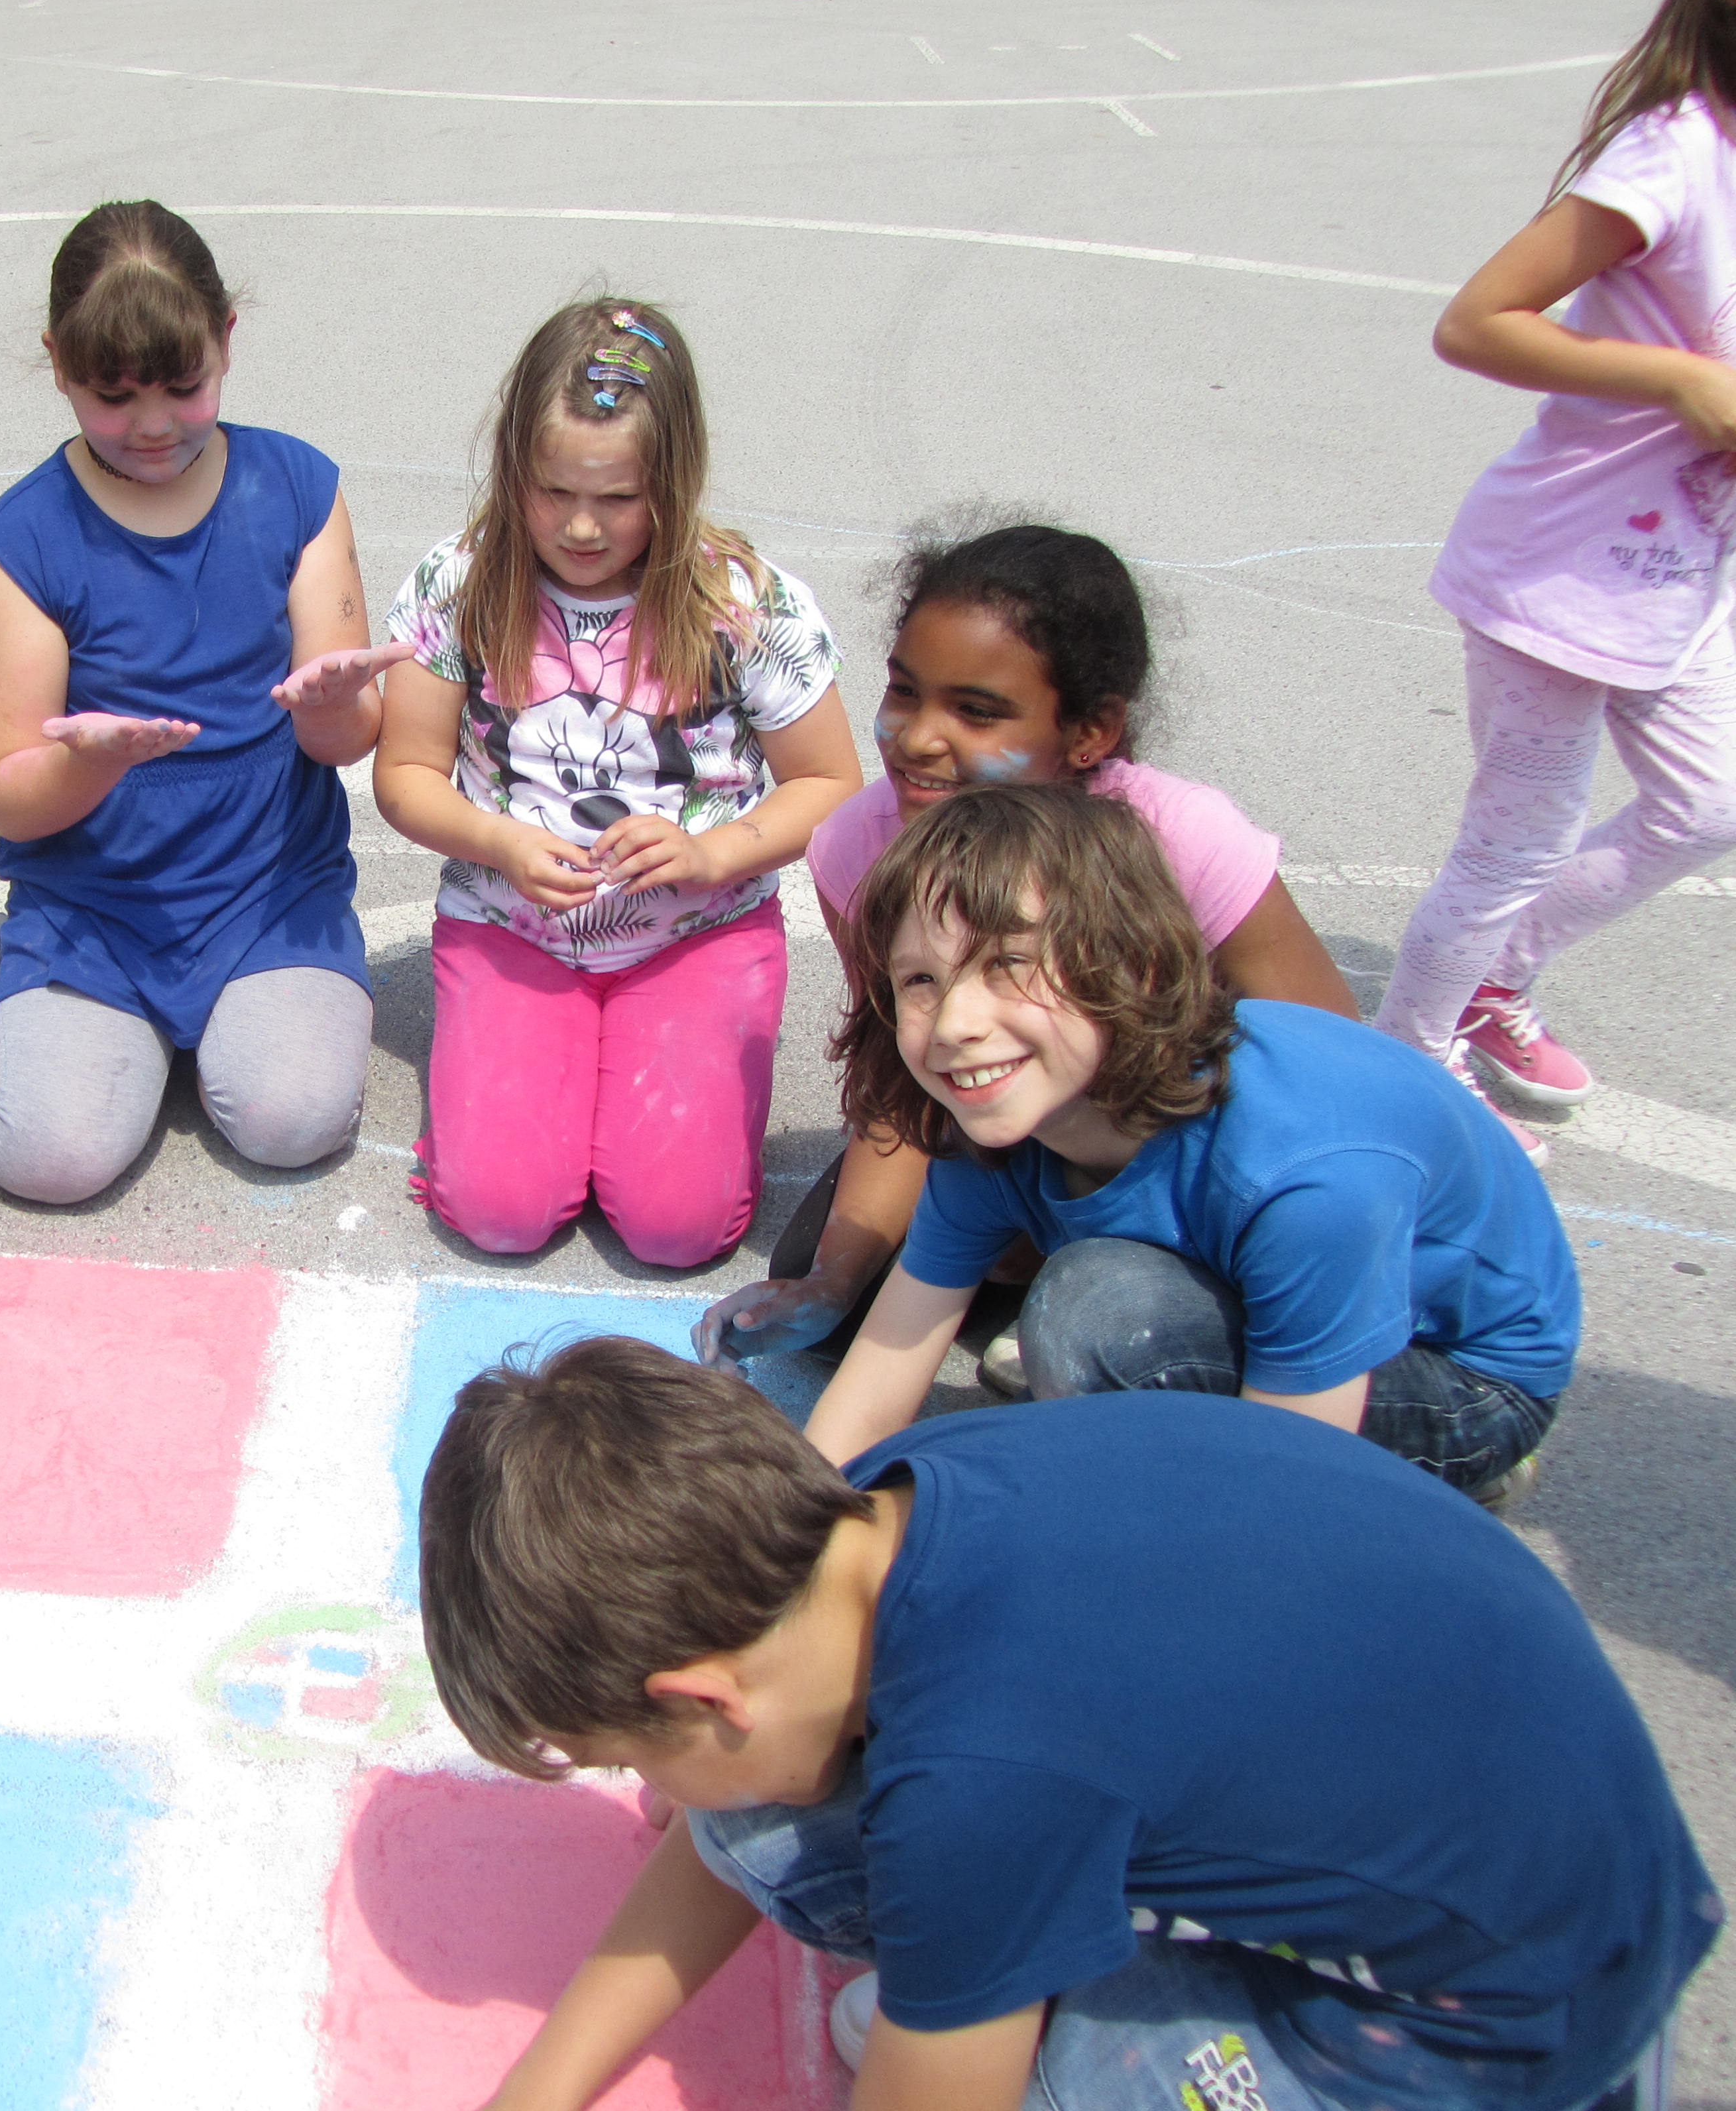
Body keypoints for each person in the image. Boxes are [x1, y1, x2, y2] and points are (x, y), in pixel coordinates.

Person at [414, 1336, 1717, 2111]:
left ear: (703, 1698)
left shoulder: (983, 1777)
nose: (651, 1795)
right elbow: (726, 1833)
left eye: (628, 1759)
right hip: (1525, 1788)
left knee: (1050, 2074)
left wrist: (950, 2032)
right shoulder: (869, 1510)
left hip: (1521, 2013)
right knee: (767, 1824)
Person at [763, 783, 1574, 1503]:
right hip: (1301, 1299)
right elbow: (879, 1382)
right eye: (920, 980)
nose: (956, 1023)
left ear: (1133, 967)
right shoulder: (992, 1125)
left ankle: (1437, 1476)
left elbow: (1292, 1487)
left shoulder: (1304, 1176)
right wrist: (791, 1559)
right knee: (1094, 1323)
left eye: (1008, 962)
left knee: (1097, 1323)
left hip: (1466, 1374)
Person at [699, 522, 1363, 1363]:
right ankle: (1042, 1255)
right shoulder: (859, 848)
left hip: (1201, 1156)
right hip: (1017, 1134)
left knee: (1107, 1329)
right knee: (832, 1298)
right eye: (905, 691)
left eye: (977, 712)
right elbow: (904, 1078)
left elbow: (1332, 1072)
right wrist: (833, 1278)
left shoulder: (1184, 841)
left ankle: (1118, 1287)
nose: (918, 737)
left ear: (1090, 732)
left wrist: (1101, 1217)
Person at [0, 201, 397, 1206]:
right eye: (113, 397)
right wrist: (95, 761)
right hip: (98, 908)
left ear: (225, 342)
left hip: (268, 893)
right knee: (52, 1160)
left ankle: (193, 1040)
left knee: (295, 1121)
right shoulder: (22, 546)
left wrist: (329, 706)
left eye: (185, 386)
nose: (154, 424)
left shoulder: (297, 487)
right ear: (58, 364)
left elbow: (346, 741)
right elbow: (11, 796)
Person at [372, 298, 860, 1268]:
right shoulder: (458, 584)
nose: (583, 526)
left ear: (674, 481)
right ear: (512, 465)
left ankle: (648, 1105)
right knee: (499, 1212)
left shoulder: (743, 600)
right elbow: (406, 772)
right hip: (513, 925)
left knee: (680, 1229)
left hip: (696, 932)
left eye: (622, 499)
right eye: (553, 491)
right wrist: (498, 839)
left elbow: (831, 782)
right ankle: (536, 1101)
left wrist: (712, 853)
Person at [1383, 0, 1736, 1144]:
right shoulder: (1672, 152)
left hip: (1684, 578)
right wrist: (1679, 382)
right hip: (1561, 576)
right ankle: (1409, 1066)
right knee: (1515, 847)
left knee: (1710, 805)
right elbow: (1476, 321)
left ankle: (1493, 975)